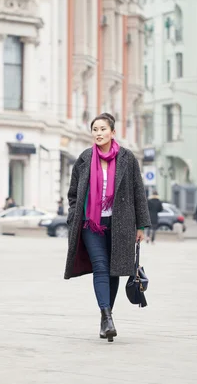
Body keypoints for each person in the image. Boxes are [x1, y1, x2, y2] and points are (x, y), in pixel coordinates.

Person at [64, 113, 150, 342]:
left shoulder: (127, 159)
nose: (99, 133)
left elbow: (138, 192)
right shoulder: (84, 159)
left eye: (103, 129)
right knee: (101, 266)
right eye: (95, 129)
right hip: (91, 224)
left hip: (120, 224)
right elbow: (73, 194)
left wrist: (141, 224)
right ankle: (106, 316)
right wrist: (74, 216)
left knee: (114, 272)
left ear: (112, 132)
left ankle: (106, 318)